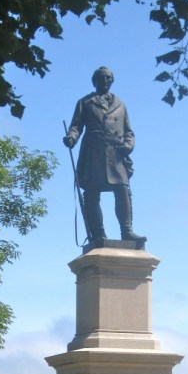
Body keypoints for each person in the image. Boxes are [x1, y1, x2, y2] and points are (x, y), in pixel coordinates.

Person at [63, 66, 146, 247]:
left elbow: (129, 132)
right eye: (102, 78)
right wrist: (71, 137)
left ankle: (127, 231)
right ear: (95, 81)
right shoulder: (85, 102)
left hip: (116, 153)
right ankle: (98, 233)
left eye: (108, 78)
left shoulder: (120, 104)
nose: (105, 81)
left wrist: (128, 145)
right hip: (93, 151)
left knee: (123, 189)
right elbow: (76, 126)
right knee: (92, 193)